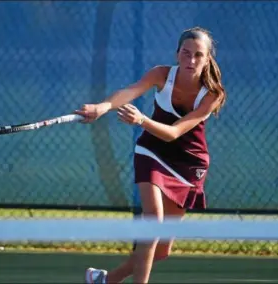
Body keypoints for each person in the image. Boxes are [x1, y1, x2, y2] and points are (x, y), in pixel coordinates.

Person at [76, 27, 227, 284]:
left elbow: (174, 132)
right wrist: (102, 107)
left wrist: (142, 119)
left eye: (198, 55)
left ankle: (107, 280)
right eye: (185, 53)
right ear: (177, 53)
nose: (190, 61)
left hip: (189, 163)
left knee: (162, 250)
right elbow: (130, 91)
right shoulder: (161, 74)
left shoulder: (213, 94)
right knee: (153, 221)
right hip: (152, 151)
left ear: (208, 58)